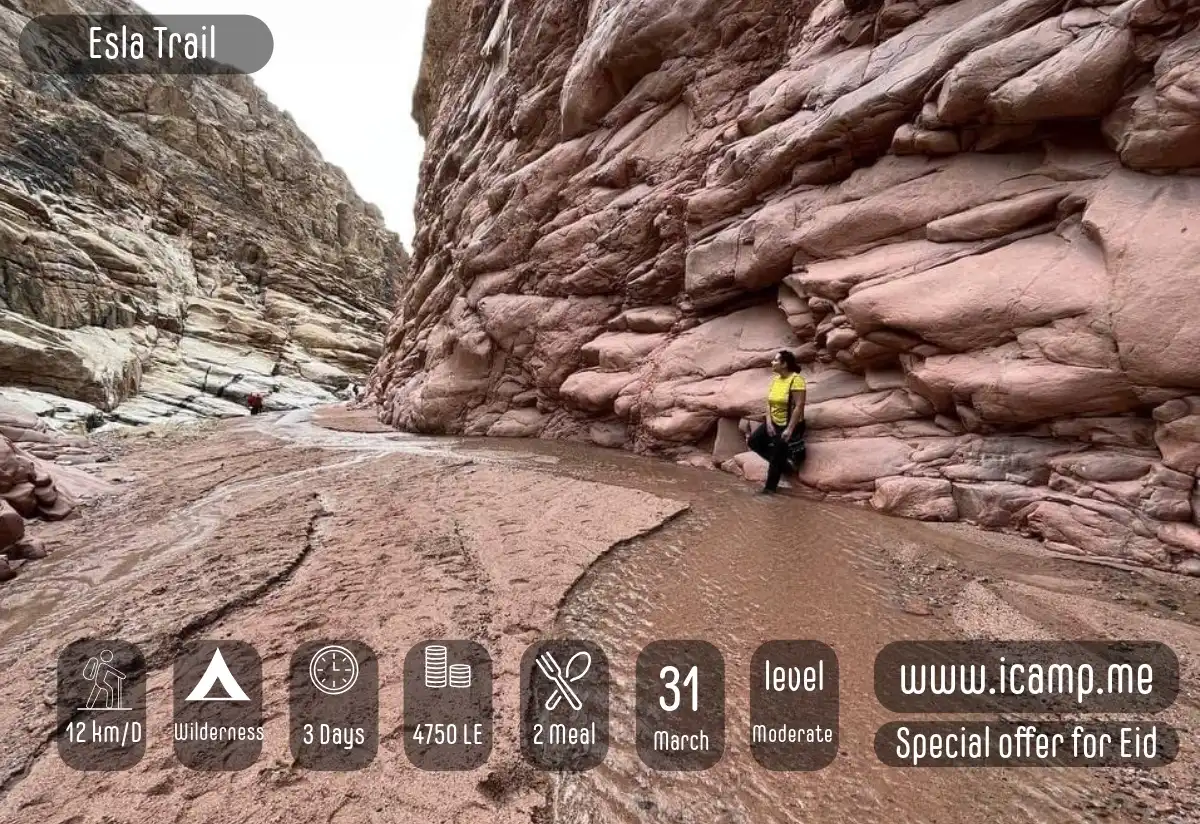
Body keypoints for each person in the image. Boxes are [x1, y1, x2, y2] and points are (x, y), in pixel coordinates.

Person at [747, 350, 807, 494]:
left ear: (784, 364)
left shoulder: (796, 380)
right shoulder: (776, 379)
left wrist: (789, 429)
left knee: (776, 455)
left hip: (789, 423)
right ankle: (785, 465)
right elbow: (769, 403)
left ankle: (769, 491)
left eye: (775, 360)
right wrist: (768, 422)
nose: (772, 363)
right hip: (773, 421)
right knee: (753, 441)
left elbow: (799, 405)